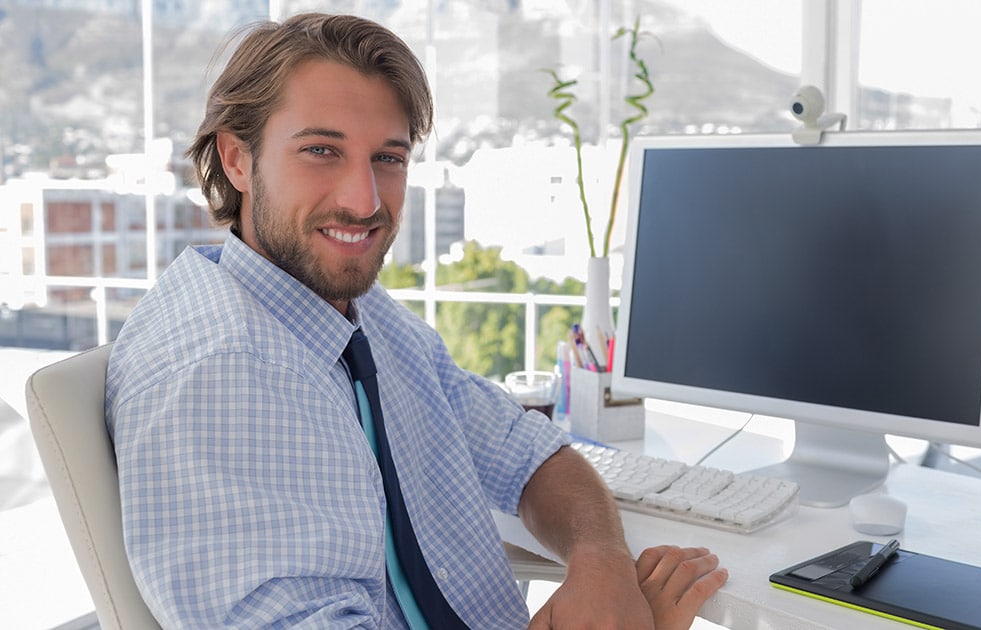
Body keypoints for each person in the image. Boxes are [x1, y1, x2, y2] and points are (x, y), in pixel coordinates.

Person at [104, 12, 726, 629]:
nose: (365, 199)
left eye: (388, 159)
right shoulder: (223, 376)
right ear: (237, 160)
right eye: (321, 151)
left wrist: (600, 564)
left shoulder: (355, 315)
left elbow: (526, 451)